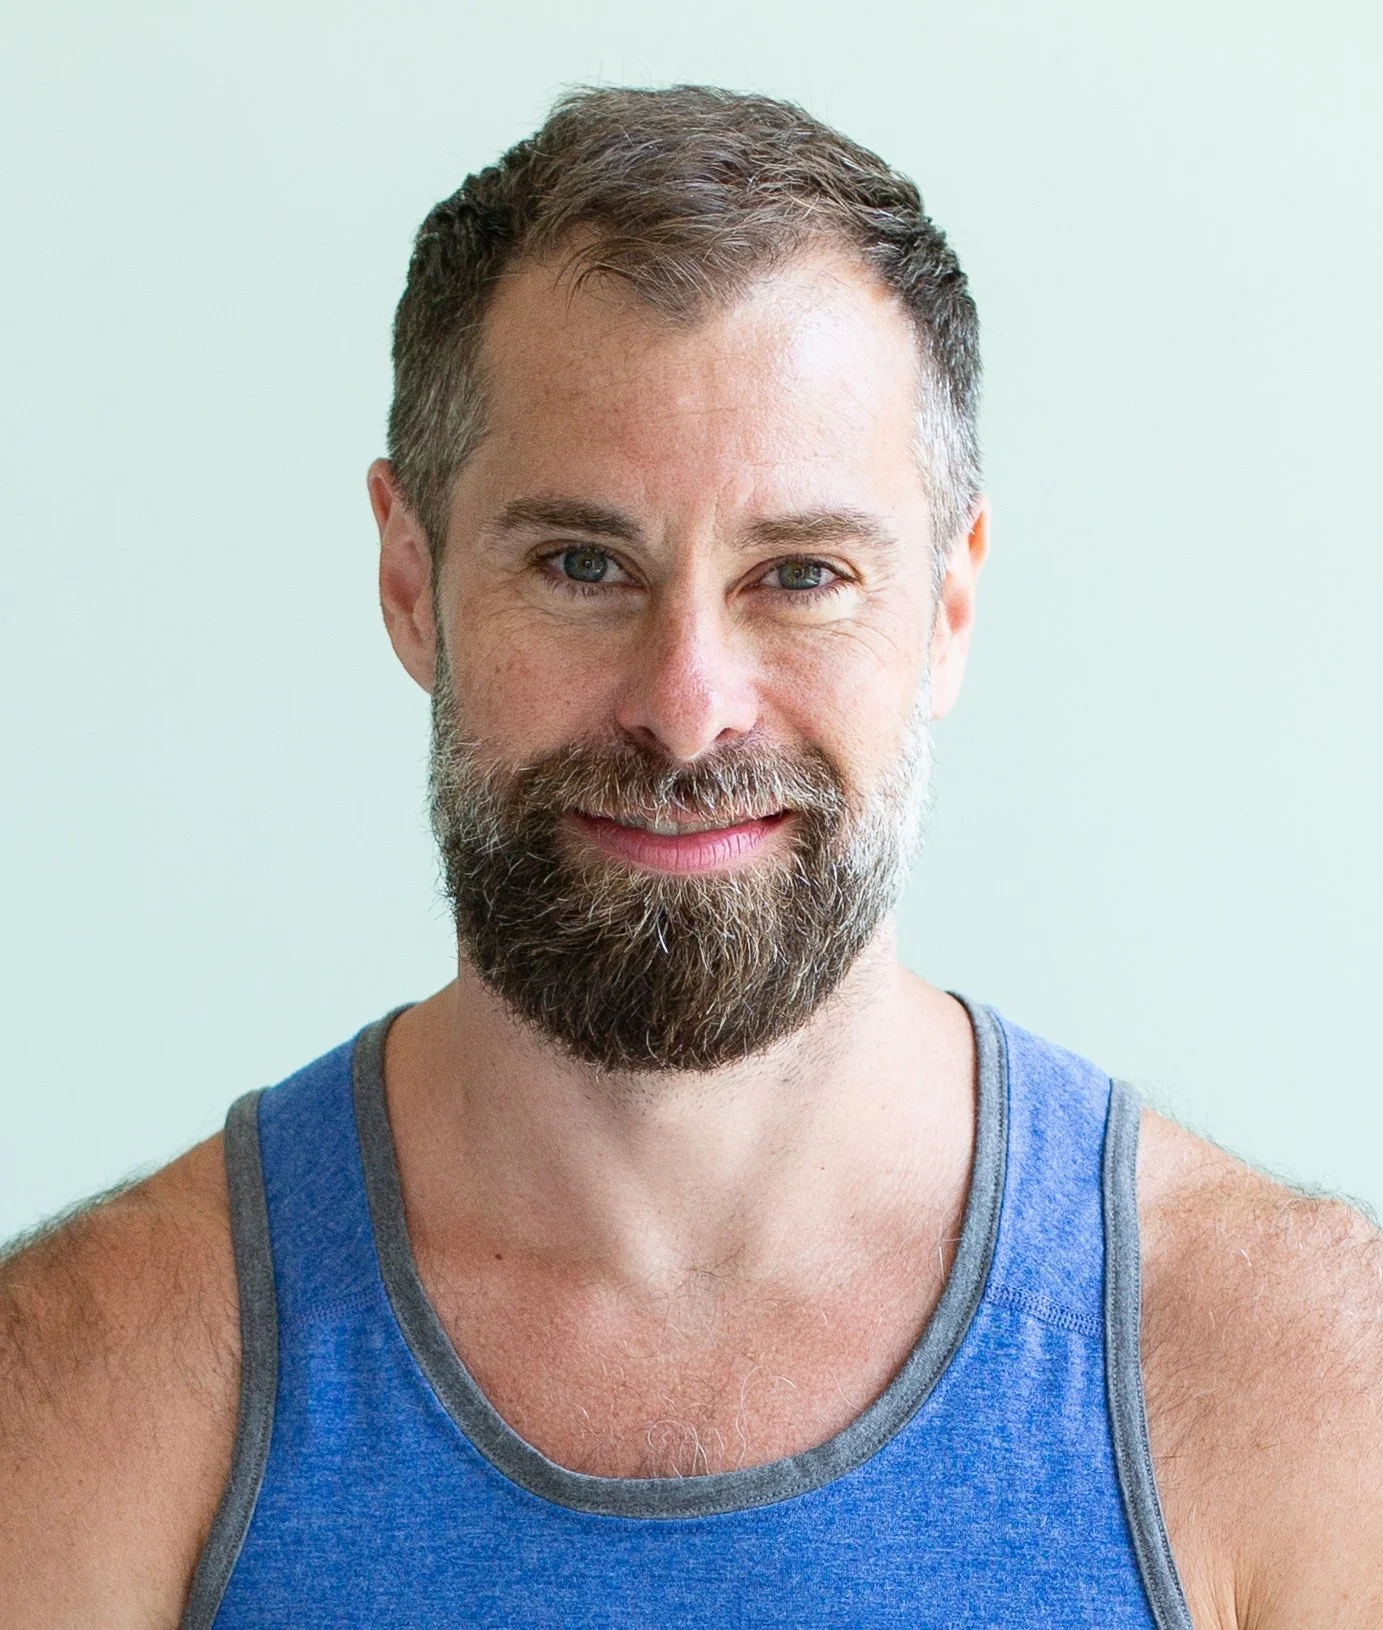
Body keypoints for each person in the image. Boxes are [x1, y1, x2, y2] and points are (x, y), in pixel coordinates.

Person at [1, 83, 1379, 1630]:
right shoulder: (84, 1403)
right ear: (409, 579)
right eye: (582, 563)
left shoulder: (1301, 1394)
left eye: (801, 573)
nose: (684, 705)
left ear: (947, 607)